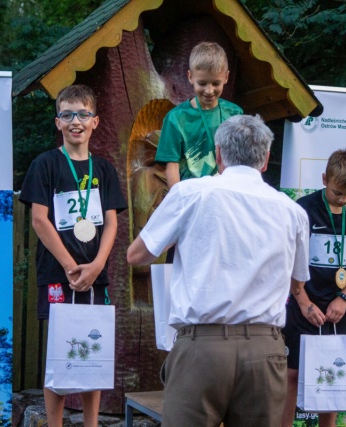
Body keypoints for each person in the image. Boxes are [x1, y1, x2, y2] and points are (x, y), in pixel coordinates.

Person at [127, 114, 310, 427]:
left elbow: (137, 255)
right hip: (265, 350)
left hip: (202, 347)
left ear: (219, 154)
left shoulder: (189, 193)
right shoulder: (293, 211)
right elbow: (298, 281)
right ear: (266, 159)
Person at [19, 84, 127, 427]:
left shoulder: (104, 170)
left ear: (95, 121)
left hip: (95, 275)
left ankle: (91, 423)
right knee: (61, 352)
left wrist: (96, 266)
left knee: (92, 352)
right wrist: (69, 266)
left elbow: (112, 223)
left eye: (82, 114)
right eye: (67, 115)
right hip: (57, 273)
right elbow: (39, 220)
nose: (75, 121)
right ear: (58, 122)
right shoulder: (45, 164)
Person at [281, 149, 346, 427]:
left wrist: (344, 297)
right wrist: (304, 302)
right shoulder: (303, 208)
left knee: (332, 375)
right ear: (324, 179)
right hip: (303, 301)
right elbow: (289, 259)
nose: (343, 200)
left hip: (336, 307)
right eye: (337, 192)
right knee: (291, 374)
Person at [155, 41, 243, 189]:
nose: (209, 90)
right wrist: (179, 198)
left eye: (216, 83)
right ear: (190, 77)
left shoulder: (235, 114)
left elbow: (240, 160)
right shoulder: (175, 118)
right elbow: (172, 166)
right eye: (202, 83)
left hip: (225, 192)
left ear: (226, 77)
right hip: (191, 194)